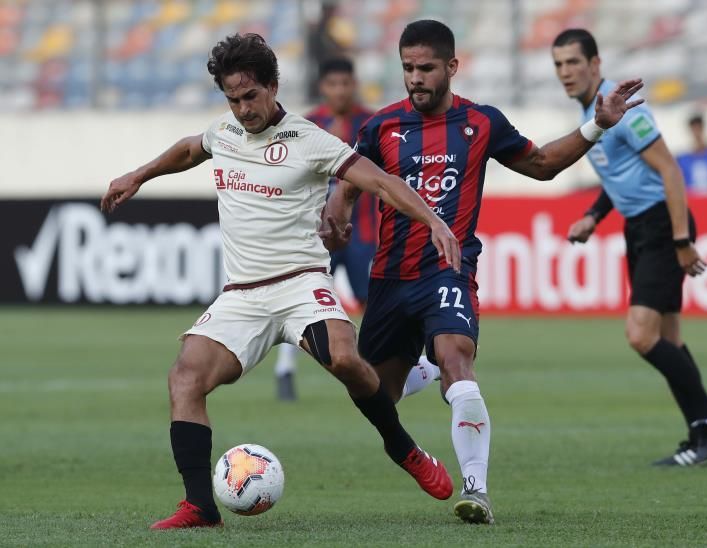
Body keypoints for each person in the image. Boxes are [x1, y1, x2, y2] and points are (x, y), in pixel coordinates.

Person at [100, 33, 459, 530]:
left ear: (272, 86)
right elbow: (188, 150)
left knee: (346, 359)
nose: (243, 109)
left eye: (251, 96)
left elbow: (379, 181)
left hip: (300, 285)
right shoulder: (223, 132)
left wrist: (434, 222)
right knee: (185, 377)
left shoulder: (308, 139)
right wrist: (137, 176)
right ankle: (201, 507)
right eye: (232, 99)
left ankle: (404, 448)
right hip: (242, 295)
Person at [323, 20, 644, 524]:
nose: (415, 78)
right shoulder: (381, 126)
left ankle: (477, 489)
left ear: (452, 67)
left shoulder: (481, 123)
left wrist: (597, 124)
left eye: (426, 68)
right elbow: (350, 178)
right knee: (373, 395)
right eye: (407, 68)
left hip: (448, 272)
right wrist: (337, 211)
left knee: (459, 364)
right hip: (388, 280)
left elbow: (541, 165)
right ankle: (422, 369)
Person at [551, 28, 707, 467]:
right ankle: (702, 433)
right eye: (558, 64)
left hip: (661, 226)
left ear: (595, 64)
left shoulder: (623, 109)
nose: (565, 72)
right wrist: (594, 217)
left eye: (573, 62)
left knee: (640, 335)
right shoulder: (592, 113)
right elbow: (620, 180)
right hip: (640, 227)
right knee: (669, 338)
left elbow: (671, 171)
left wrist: (681, 241)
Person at [272, 57, 377, 401]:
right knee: (303, 300)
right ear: (323, 87)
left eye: (346, 84)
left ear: (354, 84)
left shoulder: (371, 123)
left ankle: (382, 365)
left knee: (371, 303)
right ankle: (285, 368)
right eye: (333, 84)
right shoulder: (306, 125)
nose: (340, 91)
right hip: (314, 235)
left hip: (361, 232)